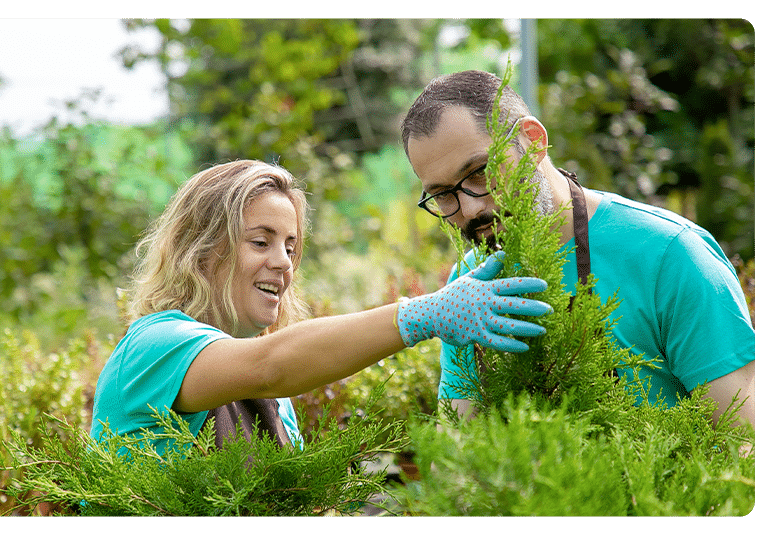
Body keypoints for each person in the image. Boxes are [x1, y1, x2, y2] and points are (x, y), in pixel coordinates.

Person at [89, 159, 554, 453]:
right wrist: (421, 314)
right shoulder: (152, 348)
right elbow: (269, 364)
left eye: (291, 247)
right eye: (260, 241)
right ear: (202, 249)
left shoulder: (274, 401)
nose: (283, 263)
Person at [400, 70, 755, 429]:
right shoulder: (469, 284)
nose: (472, 209)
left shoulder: (670, 255)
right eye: (443, 194)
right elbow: (462, 438)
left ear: (533, 141)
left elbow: (744, 442)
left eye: (481, 171)